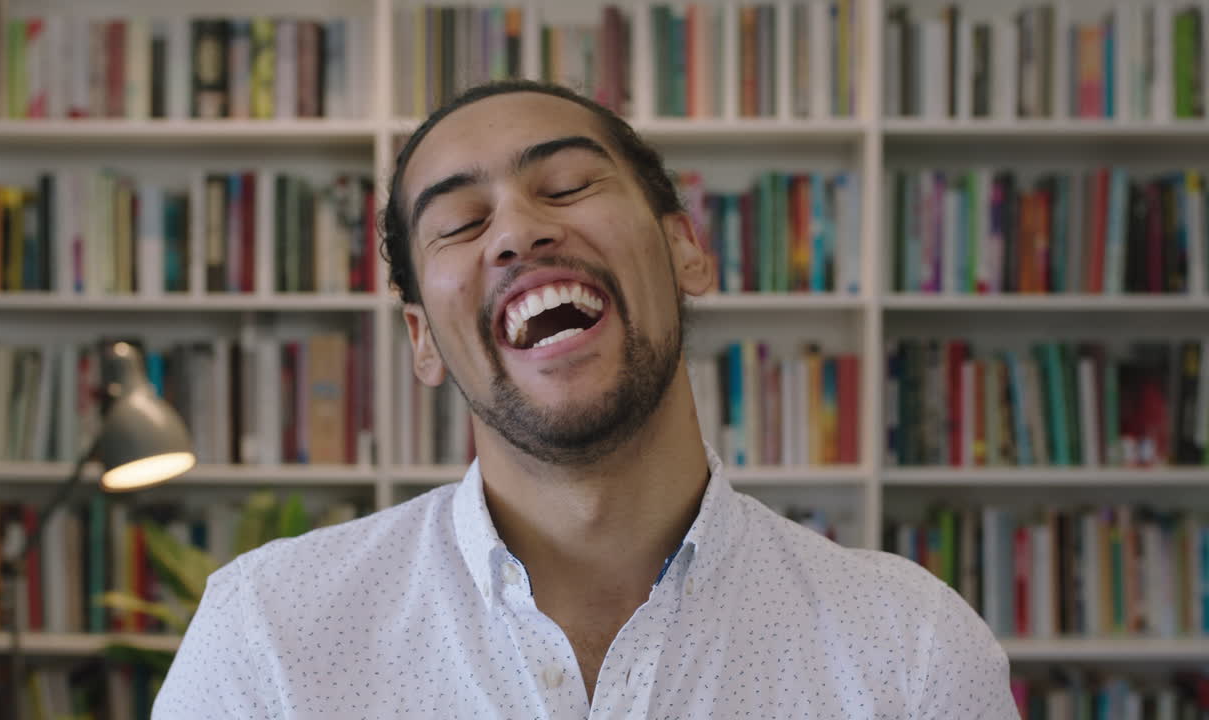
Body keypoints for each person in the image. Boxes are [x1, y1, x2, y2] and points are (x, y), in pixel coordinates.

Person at [153, 80, 1018, 719]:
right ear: (422, 339)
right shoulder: (265, 635)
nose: (518, 231)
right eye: (459, 223)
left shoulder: (913, 649)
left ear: (686, 252)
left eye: (567, 186)